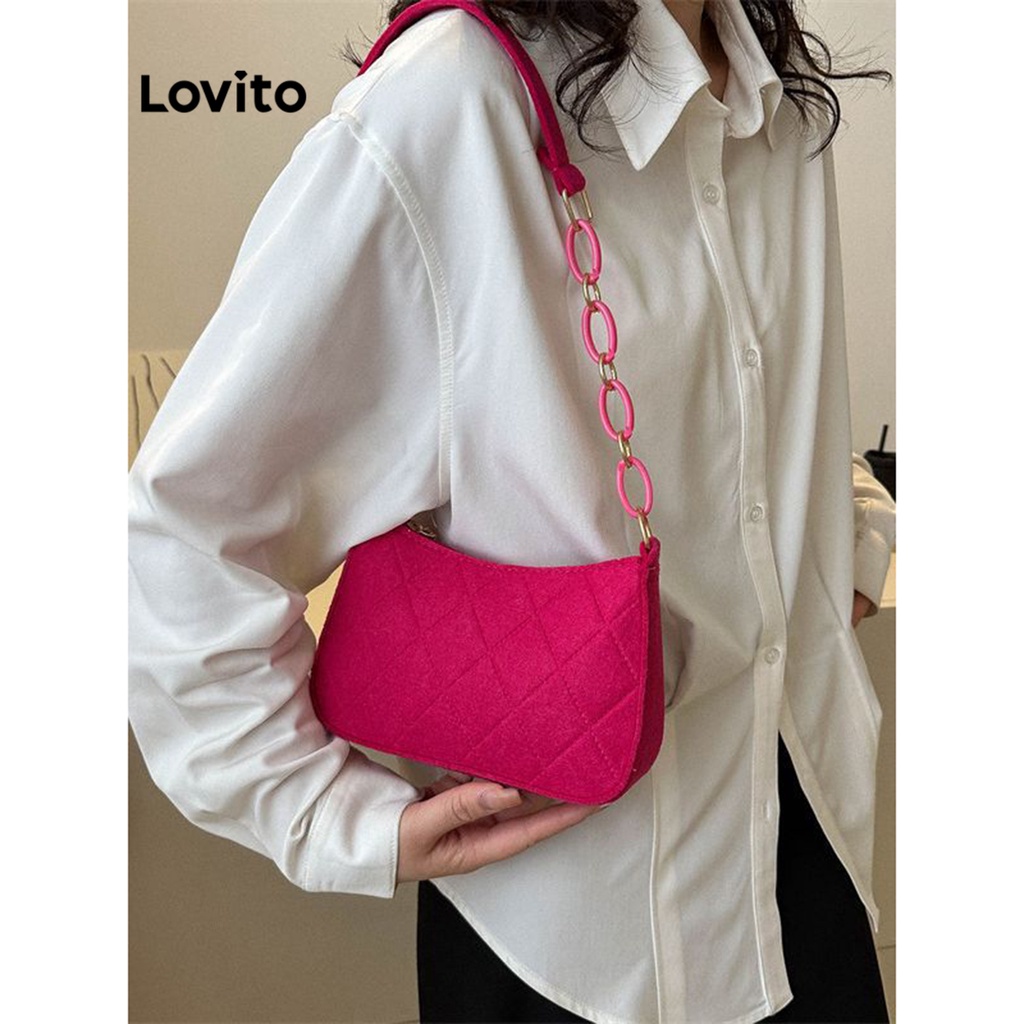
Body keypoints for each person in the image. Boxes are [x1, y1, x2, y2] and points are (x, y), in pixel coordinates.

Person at [127, 1, 896, 1021]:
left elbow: (768, 400)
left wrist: (845, 543)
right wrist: (323, 810)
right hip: (571, 927)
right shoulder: (452, 102)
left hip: (808, 838)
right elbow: (186, 530)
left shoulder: (778, 97)